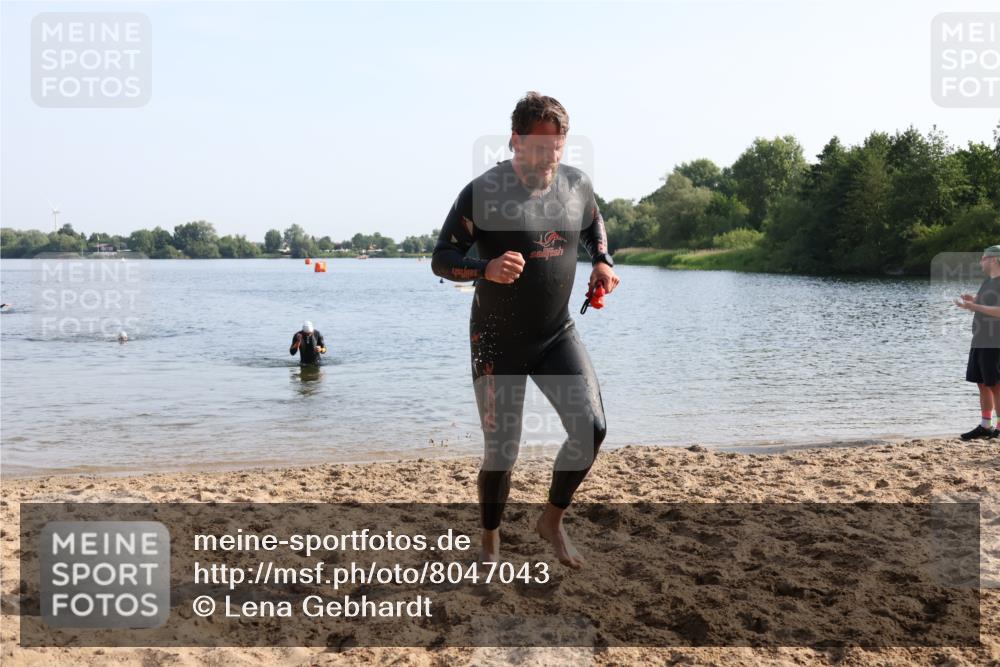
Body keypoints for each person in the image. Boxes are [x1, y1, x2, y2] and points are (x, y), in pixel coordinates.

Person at [432, 92, 620, 568]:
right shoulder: (484, 192)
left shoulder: (577, 186)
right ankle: (490, 541)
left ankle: (551, 520)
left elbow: (595, 222)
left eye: (556, 146)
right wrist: (485, 268)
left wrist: (602, 260)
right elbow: (442, 259)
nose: (547, 157)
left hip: (556, 333)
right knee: (502, 451)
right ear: (514, 140)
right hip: (498, 339)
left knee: (591, 429)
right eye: (537, 147)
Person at [956, 245, 1000, 440]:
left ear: (994, 260)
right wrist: (972, 300)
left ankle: (999, 426)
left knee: (996, 384)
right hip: (980, 339)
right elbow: (987, 305)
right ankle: (985, 425)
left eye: (983, 258)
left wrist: (974, 305)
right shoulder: (988, 281)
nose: (980, 261)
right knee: (982, 382)